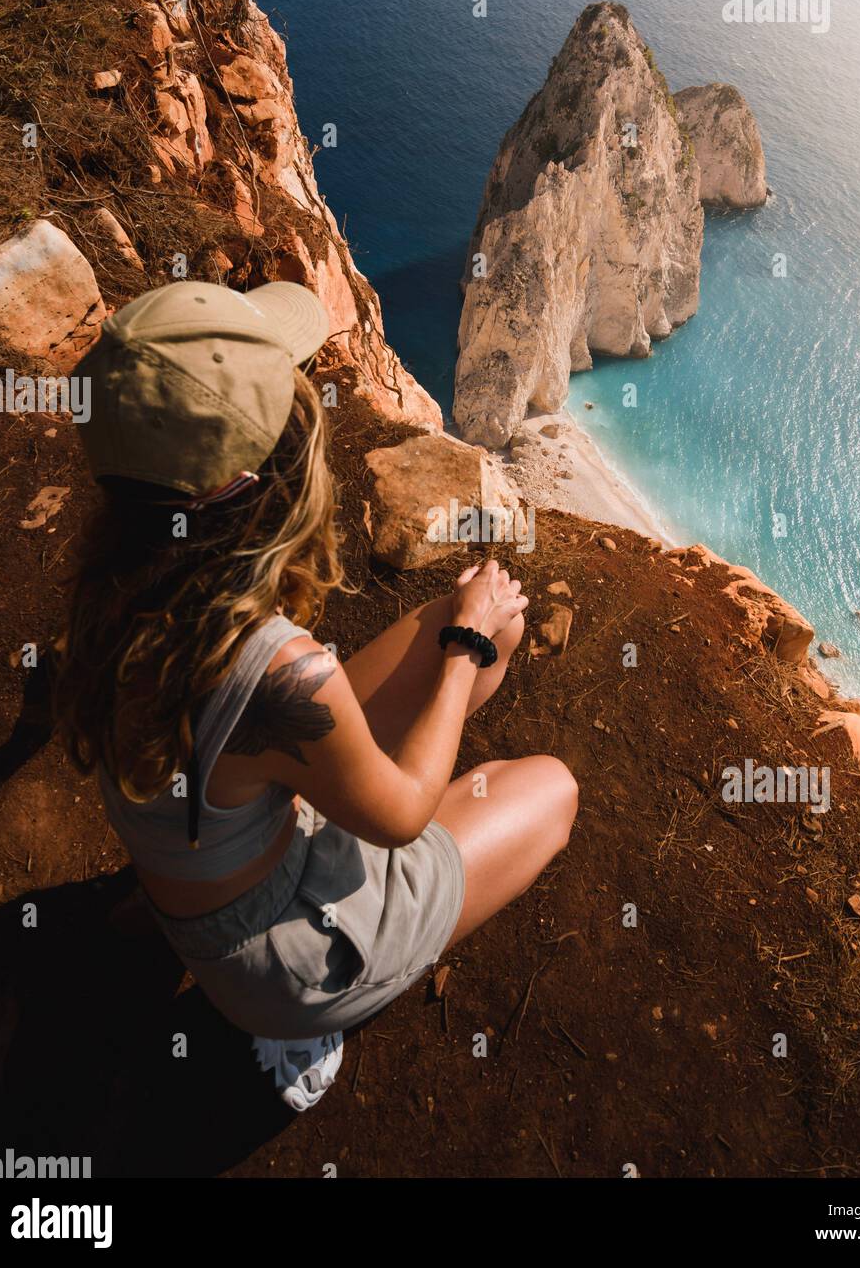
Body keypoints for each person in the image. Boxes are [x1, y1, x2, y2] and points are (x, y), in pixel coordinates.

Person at [53, 280, 578, 1110]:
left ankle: (189, 886)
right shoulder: (279, 669)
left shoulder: (107, 578)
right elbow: (402, 813)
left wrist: (471, 636)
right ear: (250, 477)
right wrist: (464, 648)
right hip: (274, 957)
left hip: (193, 860)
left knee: (479, 636)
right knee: (548, 785)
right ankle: (313, 1009)